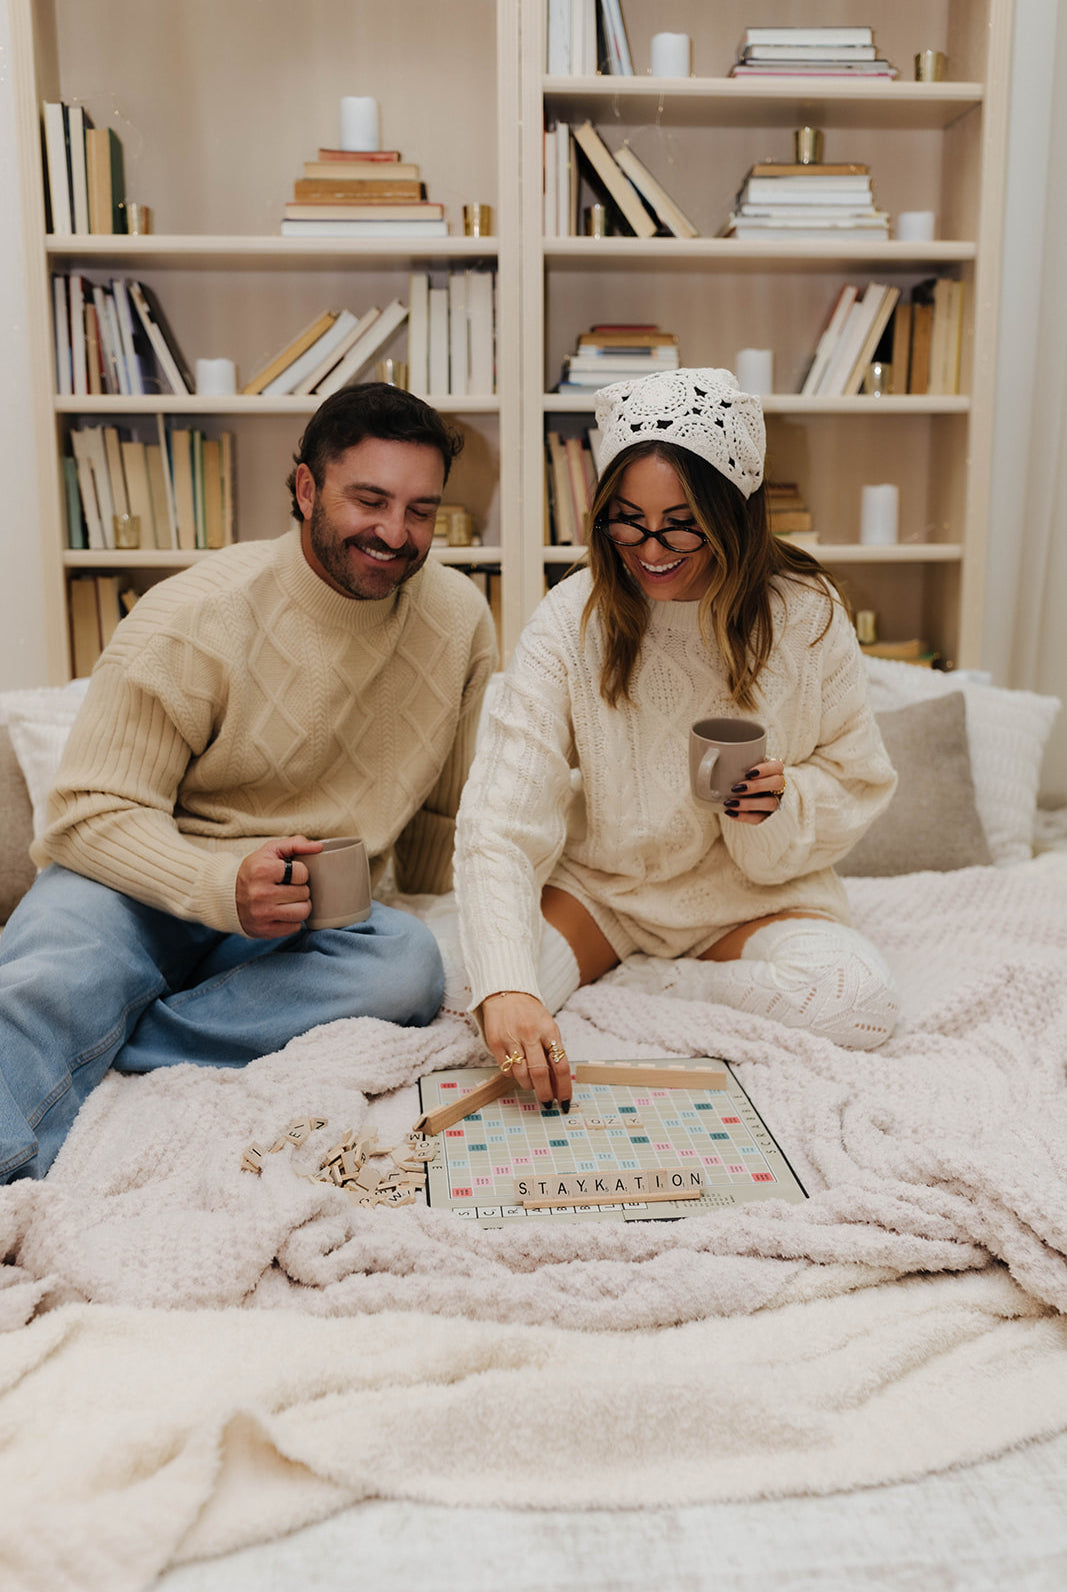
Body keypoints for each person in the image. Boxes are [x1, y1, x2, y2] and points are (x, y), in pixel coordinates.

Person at [0, 382, 497, 1181]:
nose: (394, 533)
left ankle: (124, 1033)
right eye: (369, 500)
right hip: (142, 887)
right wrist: (220, 885)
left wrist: (441, 884)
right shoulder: (192, 615)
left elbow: (445, 805)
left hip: (307, 912)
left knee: (406, 963)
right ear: (306, 489)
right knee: (47, 975)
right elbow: (87, 814)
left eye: (419, 510)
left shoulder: (460, 618)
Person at [455, 367, 899, 1108]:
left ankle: (642, 987)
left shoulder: (808, 615)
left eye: (680, 522)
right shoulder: (570, 621)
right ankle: (611, 974)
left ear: (734, 514)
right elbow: (500, 821)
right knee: (471, 997)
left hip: (752, 900)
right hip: (607, 895)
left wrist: (779, 801)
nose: (649, 548)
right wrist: (506, 988)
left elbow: (857, 776)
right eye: (626, 520)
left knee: (859, 1002)